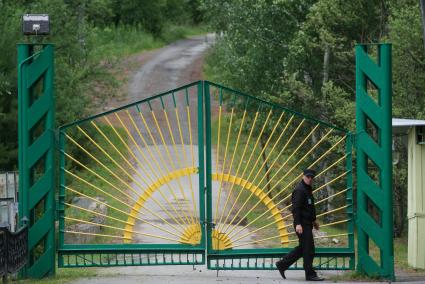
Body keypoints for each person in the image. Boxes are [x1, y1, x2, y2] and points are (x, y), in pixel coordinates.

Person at [275, 168, 324, 281]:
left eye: (312, 177)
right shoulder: (300, 190)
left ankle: (282, 264)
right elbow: (296, 209)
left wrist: (314, 221)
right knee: (309, 249)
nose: (310, 179)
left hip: (307, 223)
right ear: (303, 176)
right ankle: (310, 274)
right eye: (308, 177)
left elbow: (308, 207)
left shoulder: (307, 189)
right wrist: (298, 224)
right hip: (302, 224)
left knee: (303, 248)